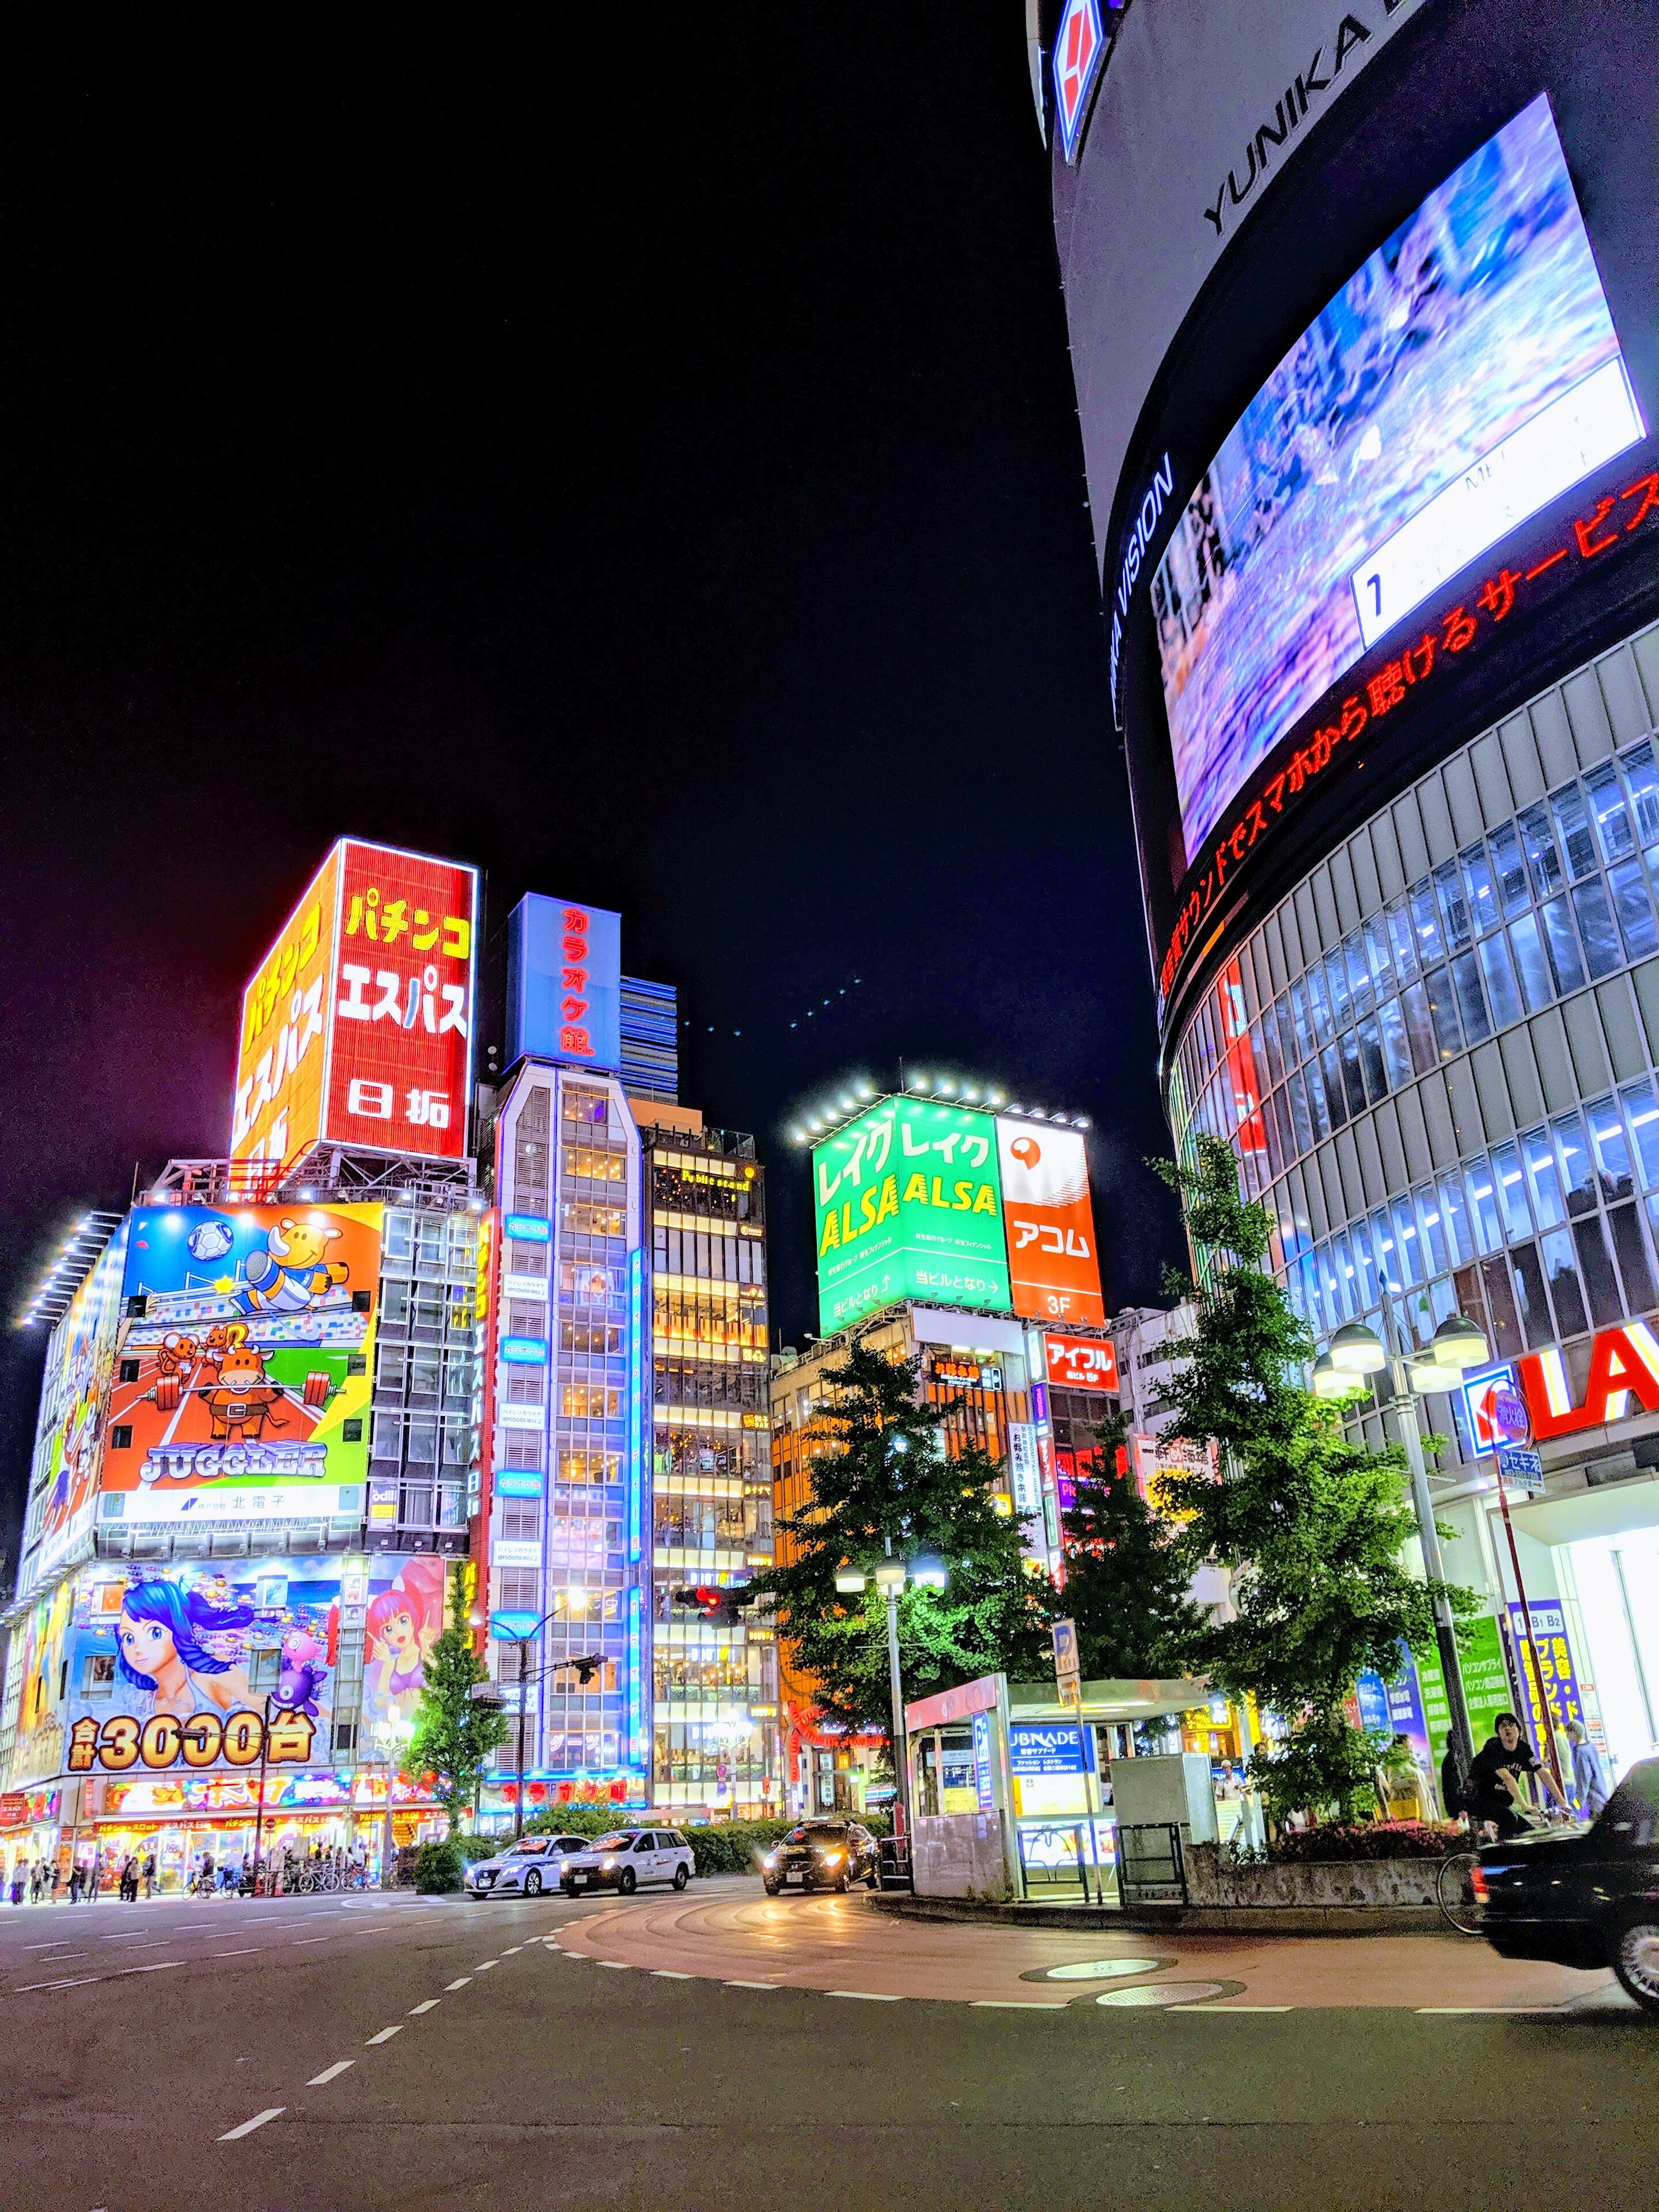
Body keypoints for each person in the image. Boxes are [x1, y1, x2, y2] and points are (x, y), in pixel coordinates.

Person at [1465, 1713, 1569, 1839]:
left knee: (1531, 1831)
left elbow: (1542, 1772)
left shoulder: (1523, 1749)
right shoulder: (1493, 1749)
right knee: (1510, 1819)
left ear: (1519, 1731)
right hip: (1479, 1799)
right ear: (1498, 1733)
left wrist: (1563, 1802)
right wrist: (1524, 1805)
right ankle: (1505, 1855)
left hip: (1501, 1802)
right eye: (1503, 1727)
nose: (1507, 1729)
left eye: (1511, 1725)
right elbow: (1508, 1778)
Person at [1566, 1718, 1610, 1819]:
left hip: (1592, 1799)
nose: (1567, 1736)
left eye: (1568, 1732)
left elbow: (1584, 1777)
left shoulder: (1580, 1751)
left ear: (1574, 1732)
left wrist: (1579, 1802)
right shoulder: (1591, 1746)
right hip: (1601, 1793)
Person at [1439, 1730, 1467, 1825]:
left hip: (1455, 1806)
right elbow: (1454, 1785)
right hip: (1458, 1807)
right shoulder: (1453, 1760)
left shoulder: (1451, 1758)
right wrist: (1461, 1808)